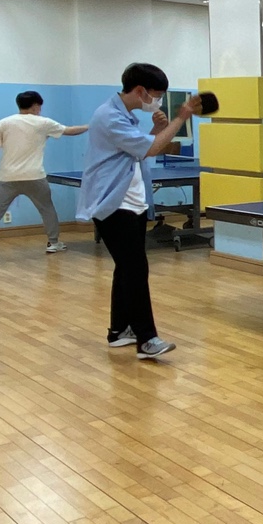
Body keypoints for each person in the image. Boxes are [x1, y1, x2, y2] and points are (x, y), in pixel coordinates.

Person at [78, 63, 202, 360]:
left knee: (126, 267)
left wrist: (156, 130)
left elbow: (137, 149)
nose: (156, 101)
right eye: (156, 95)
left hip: (131, 202)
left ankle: (119, 330)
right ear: (139, 91)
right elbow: (150, 149)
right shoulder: (109, 116)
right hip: (113, 204)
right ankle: (147, 339)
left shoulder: (123, 115)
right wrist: (181, 117)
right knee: (135, 269)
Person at [0, 91, 87, 265]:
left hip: (6, 177)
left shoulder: (4, 123)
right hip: (34, 176)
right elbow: (70, 131)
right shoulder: (43, 123)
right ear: (36, 106)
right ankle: (53, 243)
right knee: (46, 209)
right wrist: (91, 126)